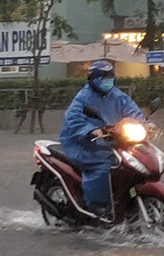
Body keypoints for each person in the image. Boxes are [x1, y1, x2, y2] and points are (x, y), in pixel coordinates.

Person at [59, 60, 143, 221]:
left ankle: (120, 200)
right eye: (103, 78)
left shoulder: (117, 96)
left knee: (130, 165)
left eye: (110, 77)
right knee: (105, 166)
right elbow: (72, 119)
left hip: (114, 141)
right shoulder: (83, 98)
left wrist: (145, 124)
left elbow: (133, 111)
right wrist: (90, 130)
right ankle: (98, 206)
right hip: (84, 144)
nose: (108, 81)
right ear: (93, 79)